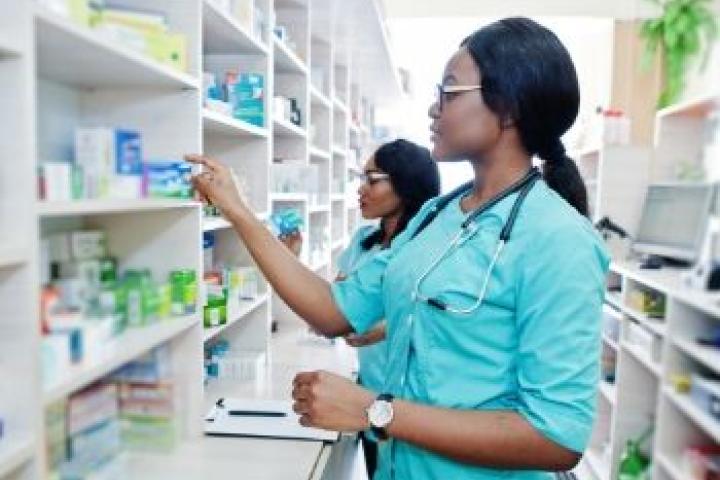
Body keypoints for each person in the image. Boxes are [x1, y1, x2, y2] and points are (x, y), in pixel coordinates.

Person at [187, 16, 610, 480]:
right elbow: (334, 311)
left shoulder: (559, 239)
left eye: (449, 91)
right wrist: (239, 213)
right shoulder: (435, 217)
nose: (434, 109)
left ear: (506, 107)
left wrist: (376, 411)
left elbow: (556, 437)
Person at [338, 139, 440, 477]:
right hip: (368, 392)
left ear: (405, 183)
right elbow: (335, 304)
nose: (361, 188)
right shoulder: (362, 242)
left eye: (372, 178)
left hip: (413, 405)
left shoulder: (427, 249)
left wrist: (388, 327)